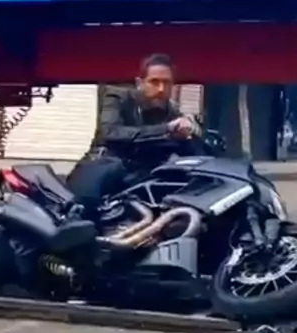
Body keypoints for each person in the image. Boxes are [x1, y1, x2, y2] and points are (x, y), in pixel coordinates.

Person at [67, 53, 201, 214]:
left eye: (167, 83)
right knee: (81, 212)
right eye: (154, 82)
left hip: (140, 175)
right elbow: (111, 132)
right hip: (104, 167)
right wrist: (166, 129)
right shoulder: (118, 97)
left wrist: (188, 135)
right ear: (140, 82)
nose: (161, 89)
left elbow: (186, 150)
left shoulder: (170, 111)